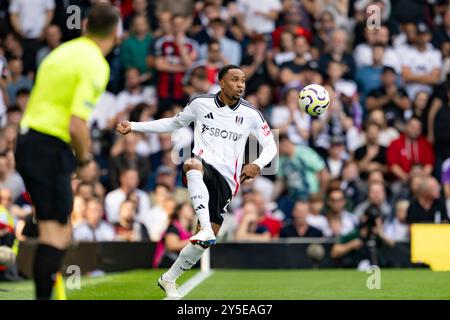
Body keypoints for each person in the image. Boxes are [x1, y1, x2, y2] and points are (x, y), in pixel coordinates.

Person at [116, 65, 277, 298]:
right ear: (221, 82)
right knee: (192, 163)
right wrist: (134, 126)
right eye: (235, 80)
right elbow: (173, 123)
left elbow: (271, 145)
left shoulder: (252, 114)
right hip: (203, 167)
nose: (241, 84)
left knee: (203, 243)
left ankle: (169, 279)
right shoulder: (200, 103)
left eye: (243, 80)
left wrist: (257, 164)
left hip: (227, 182)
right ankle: (202, 228)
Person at [14, 4, 119, 300]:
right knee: (57, 233)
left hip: (28, 140)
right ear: (115, 33)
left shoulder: (61, 51)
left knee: (56, 229)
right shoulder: (96, 64)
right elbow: (77, 124)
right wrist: (85, 161)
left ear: (85, 25)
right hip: (49, 145)